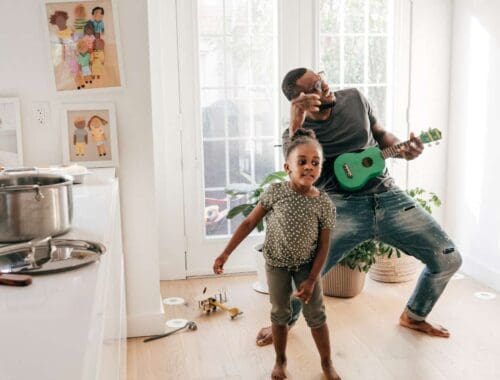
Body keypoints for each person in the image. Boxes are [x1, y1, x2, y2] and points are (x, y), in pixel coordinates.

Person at [255, 68, 463, 347]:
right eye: (315, 86)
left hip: (388, 196)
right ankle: (282, 323)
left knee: (448, 258)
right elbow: (298, 178)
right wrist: (296, 123)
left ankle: (414, 315)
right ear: (300, 99)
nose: (325, 86)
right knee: (305, 274)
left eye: (321, 77)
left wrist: (403, 149)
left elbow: (380, 134)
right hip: (340, 207)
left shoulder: (353, 98)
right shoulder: (297, 132)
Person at [213, 129, 341, 380]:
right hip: (276, 264)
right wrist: (225, 253)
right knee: (279, 312)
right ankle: (281, 361)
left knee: (316, 315)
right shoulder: (275, 192)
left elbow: (324, 246)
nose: (309, 167)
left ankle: (327, 364)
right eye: (302, 161)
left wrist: (312, 279)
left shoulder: (324, 203)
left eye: (315, 163)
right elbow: (249, 223)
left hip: (307, 266)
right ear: (287, 166)